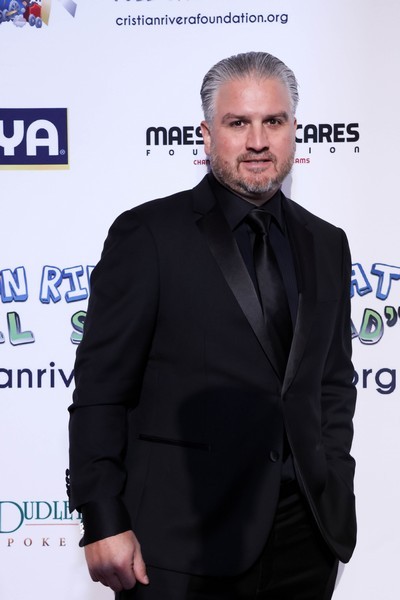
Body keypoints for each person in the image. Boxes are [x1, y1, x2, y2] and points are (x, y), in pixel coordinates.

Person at [68, 51, 356, 599]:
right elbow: (101, 390)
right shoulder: (148, 235)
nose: (258, 141)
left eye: (274, 121)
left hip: (306, 541)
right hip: (180, 543)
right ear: (205, 134)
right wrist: (102, 517)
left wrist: (333, 479)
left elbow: (333, 383)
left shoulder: (327, 242)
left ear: (295, 128)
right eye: (238, 122)